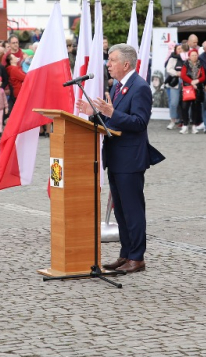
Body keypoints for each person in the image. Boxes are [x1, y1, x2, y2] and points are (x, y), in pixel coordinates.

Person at [76, 43, 164, 274]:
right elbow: (112, 122)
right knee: (121, 210)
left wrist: (111, 112)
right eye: (108, 60)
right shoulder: (118, 86)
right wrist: (93, 114)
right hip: (115, 156)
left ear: (126, 64)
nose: (108, 64)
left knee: (132, 209)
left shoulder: (140, 87)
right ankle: (125, 254)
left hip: (130, 157)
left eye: (112, 60)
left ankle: (137, 257)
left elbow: (139, 122)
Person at [180, 49, 205, 134]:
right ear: (189, 56)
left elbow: (203, 77)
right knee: (184, 107)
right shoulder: (185, 64)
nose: (194, 57)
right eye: (192, 55)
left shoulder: (200, 65)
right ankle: (185, 125)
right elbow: (183, 75)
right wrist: (191, 82)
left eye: (195, 55)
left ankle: (194, 125)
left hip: (197, 89)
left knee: (195, 108)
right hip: (187, 88)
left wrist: (196, 81)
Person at [164, 43, 184, 129]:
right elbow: (168, 69)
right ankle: (173, 120)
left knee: (185, 103)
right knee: (173, 102)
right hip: (174, 82)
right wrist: (177, 73)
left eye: (181, 48)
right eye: (178, 48)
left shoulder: (186, 58)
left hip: (185, 82)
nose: (180, 50)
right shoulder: (172, 58)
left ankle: (185, 121)